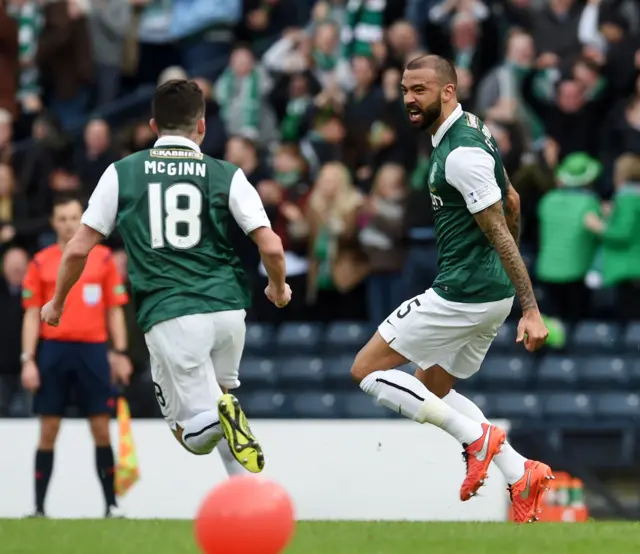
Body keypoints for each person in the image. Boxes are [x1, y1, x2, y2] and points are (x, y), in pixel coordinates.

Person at [40, 80, 290, 477]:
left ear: (154, 126)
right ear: (202, 127)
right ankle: (248, 506)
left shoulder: (123, 172)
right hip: (229, 312)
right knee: (222, 402)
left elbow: (76, 248)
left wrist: (57, 302)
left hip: (172, 313)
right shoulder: (227, 174)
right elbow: (272, 247)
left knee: (186, 432)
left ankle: (221, 422)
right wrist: (277, 287)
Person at [349, 55, 552, 524]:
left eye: (419, 90)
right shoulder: (474, 129)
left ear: (447, 91)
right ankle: (520, 471)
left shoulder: (460, 155)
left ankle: (477, 439)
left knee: (366, 370)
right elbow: (513, 200)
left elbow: (501, 230)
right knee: (430, 389)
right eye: (404, 90)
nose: (409, 100)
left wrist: (531, 308)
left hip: (463, 292)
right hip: (488, 292)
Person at [21, 195, 132, 518]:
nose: (69, 224)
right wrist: (28, 359)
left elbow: (115, 310)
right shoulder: (41, 262)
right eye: (63, 218)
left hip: (93, 351)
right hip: (54, 351)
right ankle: (39, 508)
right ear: (54, 223)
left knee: (100, 427)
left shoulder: (103, 260)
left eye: (74, 218)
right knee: (48, 429)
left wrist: (120, 353)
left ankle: (111, 505)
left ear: (82, 219)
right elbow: (31, 314)